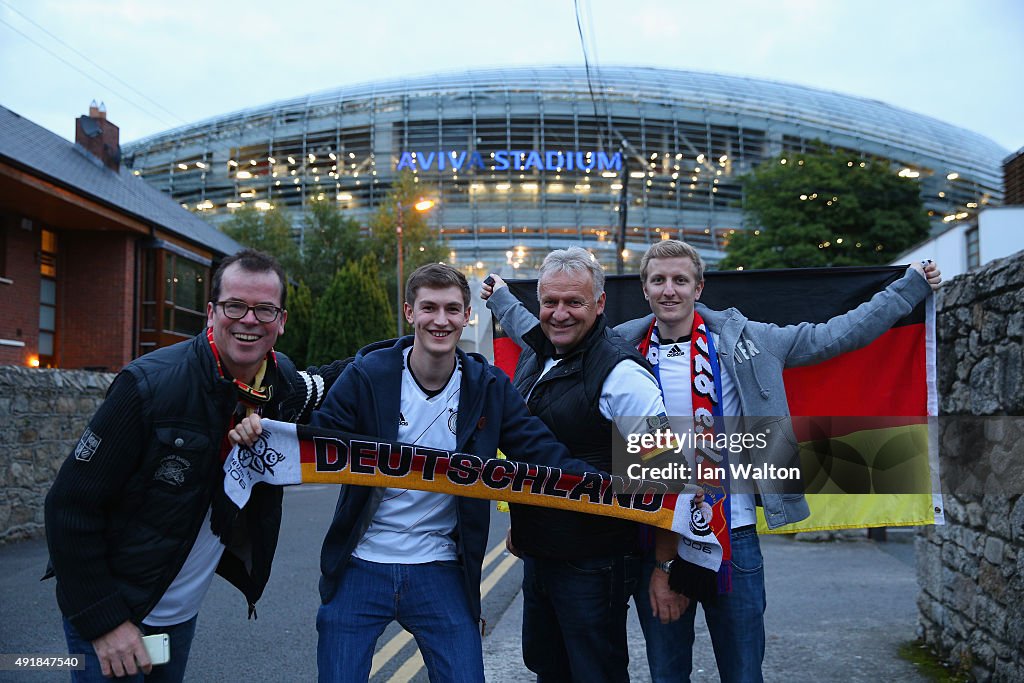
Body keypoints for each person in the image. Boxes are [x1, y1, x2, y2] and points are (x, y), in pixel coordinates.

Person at [614, 239, 942, 683]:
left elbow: (835, 336)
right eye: (658, 280)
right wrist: (499, 300)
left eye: (680, 280)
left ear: (699, 287)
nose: (669, 290)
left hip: (736, 532)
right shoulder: (619, 348)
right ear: (645, 289)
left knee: (745, 673)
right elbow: (555, 336)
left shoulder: (748, 340)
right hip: (658, 536)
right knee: (667, 672)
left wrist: (908, 290)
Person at [44, 249, 344, 682]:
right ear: (211, 312)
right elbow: (69, 507)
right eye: (235, 306)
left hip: (178, 617)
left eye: (264, 309)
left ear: (281, 320)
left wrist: (419, 339)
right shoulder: (149, 385)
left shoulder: (278, 382)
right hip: (116, 616)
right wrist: (104, 622)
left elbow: (329, 382)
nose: (249, 320)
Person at [309, 263, 597, 683]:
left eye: (451, 309)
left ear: (466, 316)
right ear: (409, 312)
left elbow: (545, 455)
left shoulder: (488, 387)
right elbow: (316, 439)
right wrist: (258, 430)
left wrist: (624, 488)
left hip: (441, 567)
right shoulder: (368, 375)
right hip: (360, 564)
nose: (440, 320)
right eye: (429, 308)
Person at [482, 247, 672, 683]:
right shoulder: (538, 352)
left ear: (600, 304)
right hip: (541, 552)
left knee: (595, 673)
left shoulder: (623, 374)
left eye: (574, 303)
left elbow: (665, 473)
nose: (559, 314)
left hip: (594, 562)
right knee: (548, 668)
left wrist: (665, 567)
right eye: (550, 302)